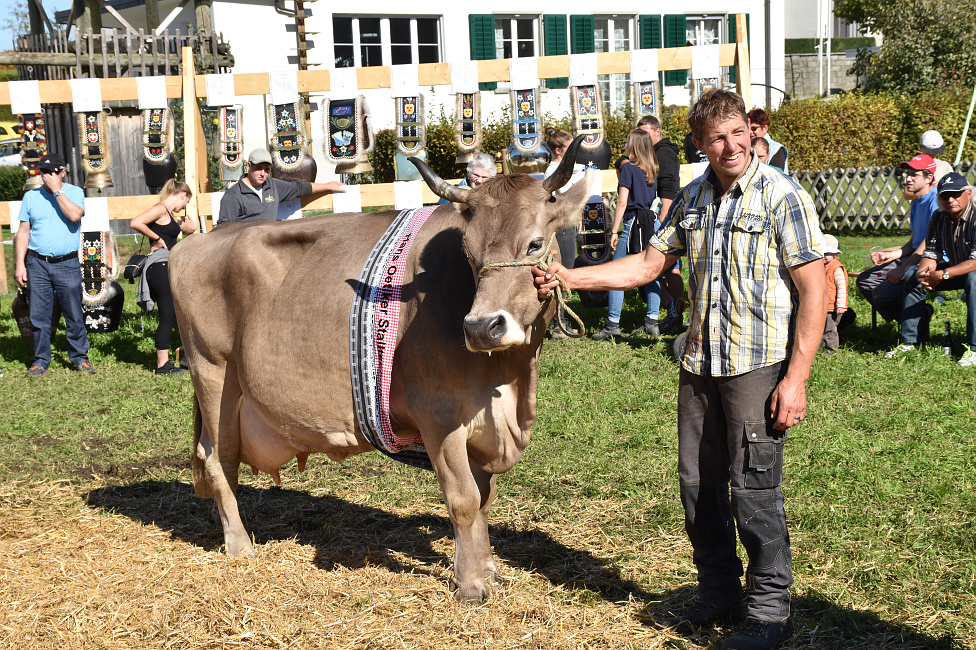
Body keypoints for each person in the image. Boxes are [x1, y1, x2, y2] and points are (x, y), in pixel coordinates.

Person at [535, 89, 825, 650]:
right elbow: (648, 264)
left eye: (738, 132)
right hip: (698, 365)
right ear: (698, 144)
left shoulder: (781, 196)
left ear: (752, 132)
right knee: (698, 487)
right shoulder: (693, 198)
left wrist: (796, 379)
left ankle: (769, 611)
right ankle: (718, 594)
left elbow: (814, 291)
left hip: (756, 366)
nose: (731, 145)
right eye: (717, 137)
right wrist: (572, 278)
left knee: (754, 489)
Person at [13, 153, 95, 377]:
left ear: (62, 172)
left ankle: (80, 357)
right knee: (39, 316)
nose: (47, 176)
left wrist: (57, 190)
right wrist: (20, 265)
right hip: (37, 263)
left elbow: (74, 215)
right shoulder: (31, 197)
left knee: (74, 313)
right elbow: (23, 232)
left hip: (66, 263)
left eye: (51, 172)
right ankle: (40, 361)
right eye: (44, 172)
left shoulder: (74, 193)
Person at [887, 173, 976, 366]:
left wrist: (943, 274)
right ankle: (911, 341)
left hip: (971, 269)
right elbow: (932, 251)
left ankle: (974, 348)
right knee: (912, 274)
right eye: (945, 196)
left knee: (974, 279)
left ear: (968, 193)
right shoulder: (939, 216)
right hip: (955, 268)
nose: (950, 200)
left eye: (955, 194)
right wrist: (924, 273)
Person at [591, 129, 659, 340]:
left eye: (628, 141)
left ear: (634, 145)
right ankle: (652, 320)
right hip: (651, 222)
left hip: (632, 223)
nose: (624, 145)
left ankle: (612, 323)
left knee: (615, 272)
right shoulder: (653, 168)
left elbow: (622, 201)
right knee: (650, 271)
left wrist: (614, 231)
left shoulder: (628, 168)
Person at [856, 154, 940, 324]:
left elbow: (930, 242)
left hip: (932, 258)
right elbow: (914, 241)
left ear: (928, 177)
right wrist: (893, 255)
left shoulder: (935, 200)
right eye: (907, 174)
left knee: (882, 294)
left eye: (914, 175)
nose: (908, 179)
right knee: (866, 281)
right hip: (914, 256)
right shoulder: (917, 202)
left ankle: (915, 325)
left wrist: (903, 268)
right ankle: (918, 317)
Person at [129, 179, 198, 374]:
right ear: (182, 196)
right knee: (167, 314)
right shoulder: (160, 209)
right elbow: (135, 222)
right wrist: (158, 239)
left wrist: (188, 229)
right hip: (159, 265)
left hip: (166, 264)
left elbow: (172, 232)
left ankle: (168, 361)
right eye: (185, 203)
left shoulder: (166, 214)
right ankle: (162, 365)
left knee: (172, 314)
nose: (183, 207)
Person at [218, 149, 344, 223]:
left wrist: (328, 186)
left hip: (271, 243)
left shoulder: (272, 185)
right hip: (246, 248)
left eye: (267, 170)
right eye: (259, 168)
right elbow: (224, 231)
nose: (263, 174)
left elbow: (299, 188)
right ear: (249, 166)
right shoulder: (232, 196)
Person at [821, 234, 855, 353]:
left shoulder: (836, 268)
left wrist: (840, 304)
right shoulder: (820, 266)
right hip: (822, 305)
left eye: (826, 253)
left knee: (830, 328)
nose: (823, 256)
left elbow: (841, 288)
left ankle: (831, 349)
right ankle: (820, 346)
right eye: (821, 253)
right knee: (821, 327)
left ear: (835, 255)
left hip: (832, 306)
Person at [747, 109, 788, 173]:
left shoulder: (777, 149)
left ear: (765, 128)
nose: (750, 132)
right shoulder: (746, 146)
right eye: (748, 128)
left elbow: (776, 173)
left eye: (754, 128)